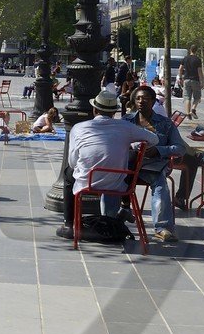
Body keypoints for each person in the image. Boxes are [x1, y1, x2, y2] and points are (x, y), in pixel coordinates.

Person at [59, 87, 156, 239]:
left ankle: (68, 224)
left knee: (68, 174)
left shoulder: (78, 128)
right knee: (129, 158)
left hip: (87, 181)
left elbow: (72, 162)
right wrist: (135, 145)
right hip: (116, 182)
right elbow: (154, 139)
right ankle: (123, 207)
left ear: (95, 110)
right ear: (114, 112)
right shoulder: (126, 127)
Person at [124, 85, 188, 244]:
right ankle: (112, 217)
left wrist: (158, 150)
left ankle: (162, 228)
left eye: (145, 98)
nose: (141, 101)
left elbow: (180, 148)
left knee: (160, 184)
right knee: (110, 178)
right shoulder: (126, 121)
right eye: (138, 98)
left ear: (153, 101)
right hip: (128, 164)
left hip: (153, 165)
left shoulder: (165, 123)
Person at [179, 46, 204, 119]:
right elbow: (199, 71)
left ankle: (188, 113)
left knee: (187, 97)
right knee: (197, 97)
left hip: (186, 80)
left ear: (190, 50)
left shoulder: (185, 58)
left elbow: (180, 68)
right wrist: (202, 81)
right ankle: (193, 109)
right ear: (196, 50)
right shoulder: (197, 59)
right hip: (195, 80)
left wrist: (180, 78)